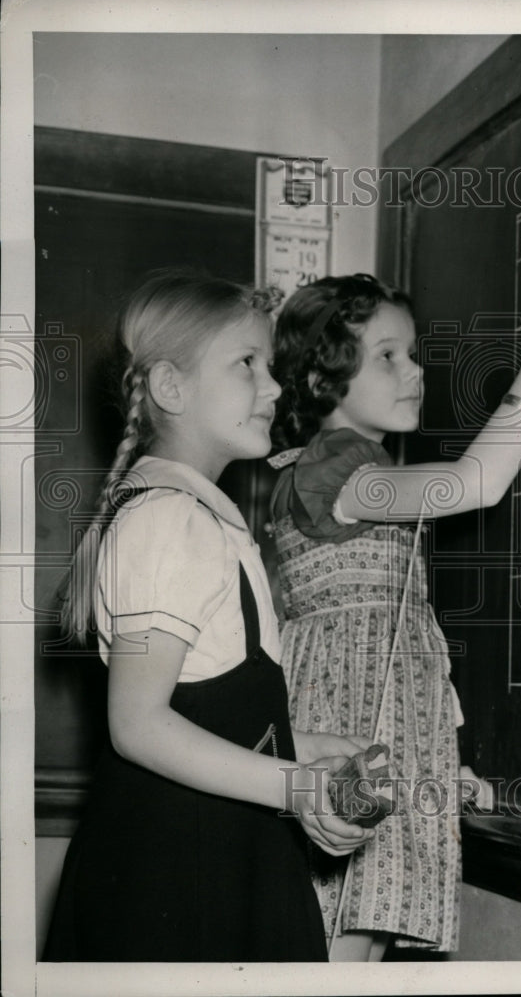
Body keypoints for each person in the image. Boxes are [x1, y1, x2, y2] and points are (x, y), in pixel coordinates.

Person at [268, 261, 521, 961]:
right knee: (335, 951)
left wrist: (433, 762)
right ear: (325, 376)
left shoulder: (355, 472)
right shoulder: (333, 470)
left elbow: (382, 649)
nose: (414, 371)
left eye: (412, 353)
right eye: (387, 356)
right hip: (348, 744)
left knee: (353, 945)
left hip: (374, 736)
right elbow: (472, 483)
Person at [43, 269, 374, 963]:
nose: (276, 387)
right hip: (180, 885)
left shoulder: (197, 517)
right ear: (171, 387)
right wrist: (297, 786)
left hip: (212, 866)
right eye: (246, 364)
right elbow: (137, 725)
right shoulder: (169, 519)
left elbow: (201, 700)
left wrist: (293, 743)